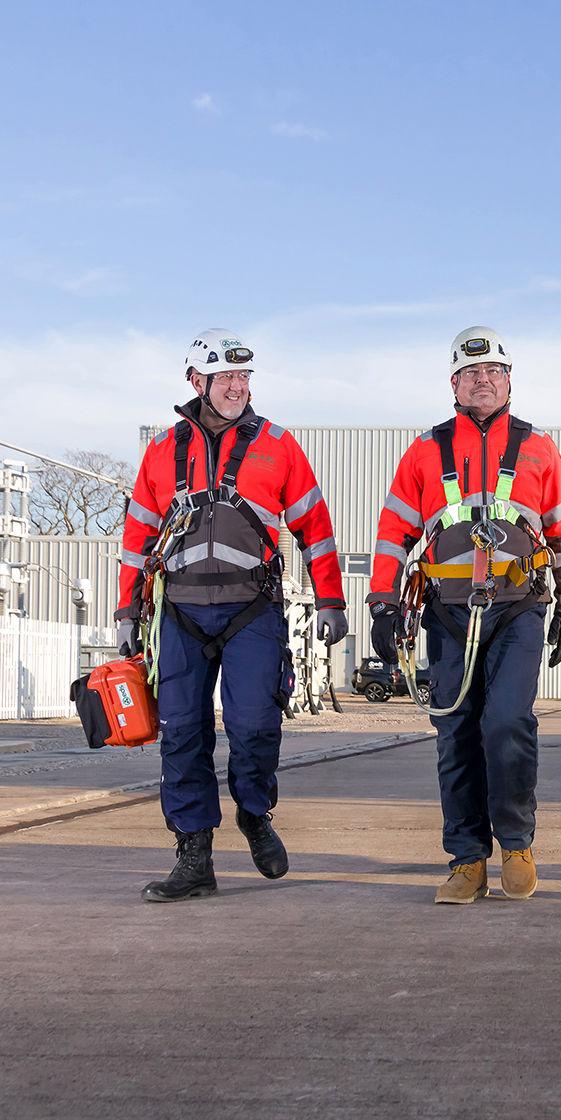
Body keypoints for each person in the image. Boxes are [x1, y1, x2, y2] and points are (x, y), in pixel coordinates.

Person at [116, 328, 348, 902]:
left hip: (253, 611)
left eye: (244, 378)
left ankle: (254, 813)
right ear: (196, 381)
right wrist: (126, 609)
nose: (237, 388)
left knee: (254, 726)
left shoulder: (278, 445)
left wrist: (331, 599)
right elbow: (136, 539)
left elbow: (314, 528)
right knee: (182, 737)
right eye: (225, 378)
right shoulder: (163, 451)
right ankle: (194, 857)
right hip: (180, 614)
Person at [367, 327, 561, 904]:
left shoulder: (539, 448)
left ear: (509, 380)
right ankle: (467, 859)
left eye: (493, 371)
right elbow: (394, 532)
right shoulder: (425, 450)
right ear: (454, 384)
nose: (482, 379)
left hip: (519, 610)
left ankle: (515, 843)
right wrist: (383, 602)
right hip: (446, 613)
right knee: (455, 734)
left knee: (507, 722)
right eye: (471, 372)